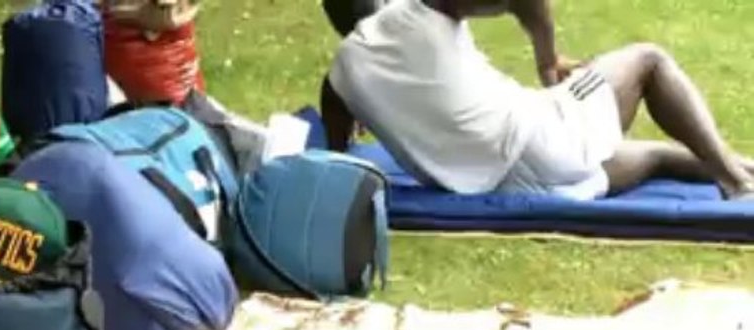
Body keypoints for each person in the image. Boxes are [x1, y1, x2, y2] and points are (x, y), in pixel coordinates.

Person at [319, 0, 754, 200]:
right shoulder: (422, 8)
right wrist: (548, 61)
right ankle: (735, 182)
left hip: (507, 188)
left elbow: (336, 162)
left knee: (659, 157)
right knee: (648, 62)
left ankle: (735, 168)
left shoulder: (339, 79)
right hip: (541, 143)